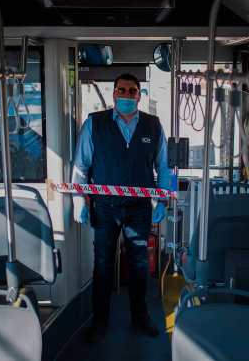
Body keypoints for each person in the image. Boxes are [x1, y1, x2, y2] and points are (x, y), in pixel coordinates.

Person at [71, 73, 172, 343]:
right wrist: (79, 200)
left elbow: (162, 167)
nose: (126, 95)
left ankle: (140, 318)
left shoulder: (153, 125)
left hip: (139, 208)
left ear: (140, 95)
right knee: (103, 264)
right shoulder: (95, 123)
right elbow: (81, 166)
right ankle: (100, 322)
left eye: (132, 91)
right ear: (114, 94)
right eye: (121, 90)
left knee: (139, 264)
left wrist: (162, 200)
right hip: (105, 206)